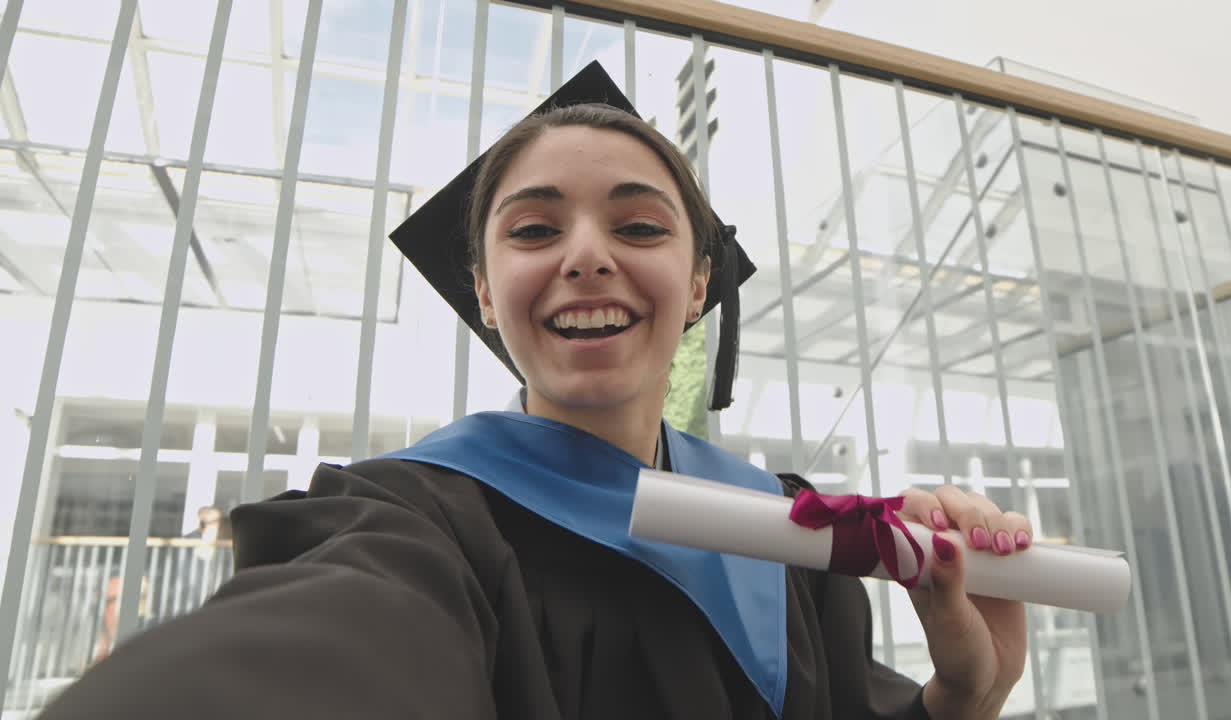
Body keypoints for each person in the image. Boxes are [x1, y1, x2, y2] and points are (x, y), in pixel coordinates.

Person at [41, 62, 1033, 719]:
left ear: (696, 285)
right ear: (484, 291)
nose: (587, 256)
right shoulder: (412, 522)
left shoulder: (789, 532)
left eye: (639, 227)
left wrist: (955, 699)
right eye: (531, 230)